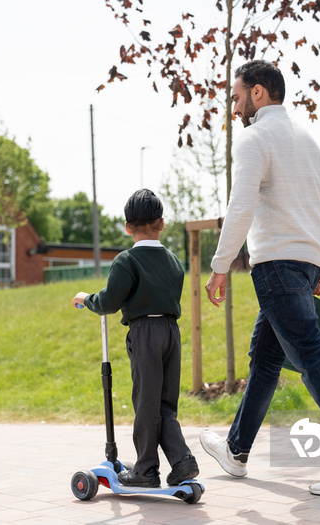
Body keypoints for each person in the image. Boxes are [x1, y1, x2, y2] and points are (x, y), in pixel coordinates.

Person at [200, 60, 320, 496]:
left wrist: (220, 266)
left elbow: (241, 206)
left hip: (276, 266)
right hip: (304, 267)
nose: (235, 106)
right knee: (265, 357)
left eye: (237, 96)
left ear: (259, 93)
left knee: (310, 355)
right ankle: (236, 450)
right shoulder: (307, 140)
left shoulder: (254, 139)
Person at [72, 189, 199, 488]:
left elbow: (109, 302)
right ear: (162, 223)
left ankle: (145, 471)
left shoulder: (126, 261)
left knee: (146, 403)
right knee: (165, 404)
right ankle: (182, 462)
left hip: (145, 334)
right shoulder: (173, 261)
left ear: (128, 227)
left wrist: (86, 299)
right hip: (171, 331)